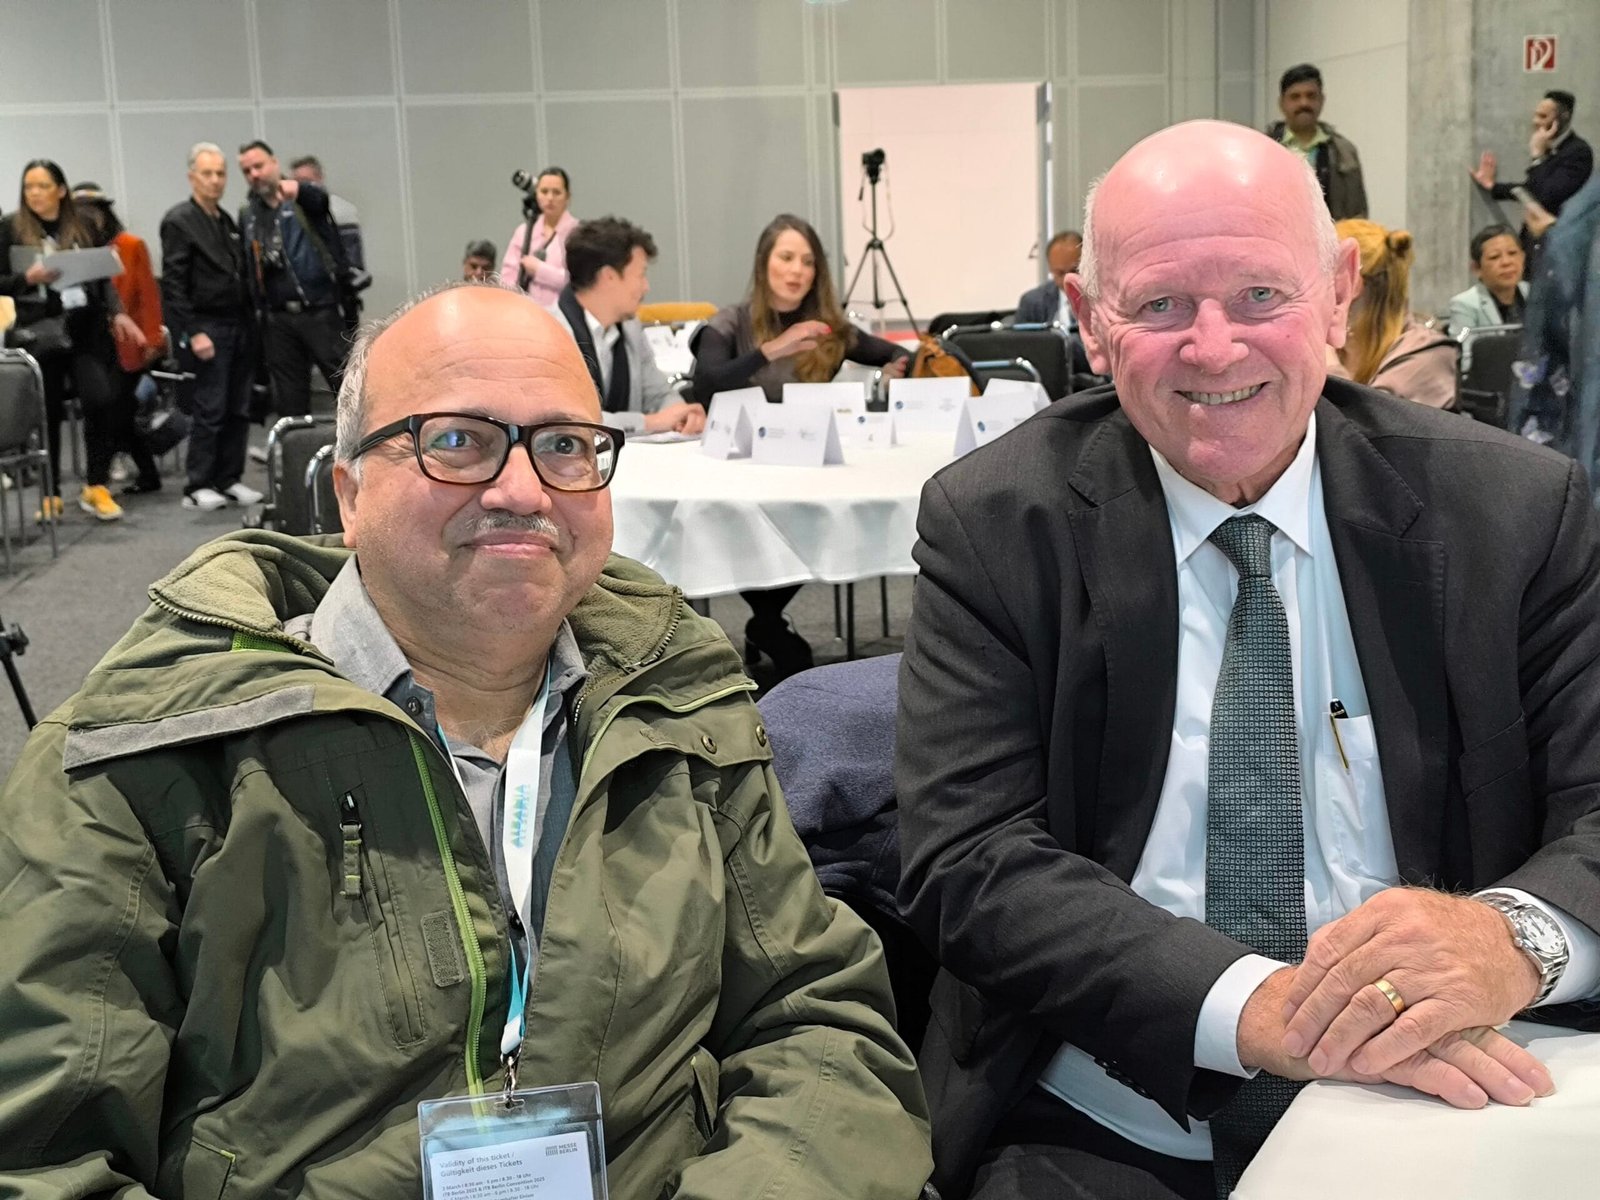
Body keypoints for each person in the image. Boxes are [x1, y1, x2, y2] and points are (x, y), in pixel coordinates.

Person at [0, 280, 933, 1197]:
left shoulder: (678, 703)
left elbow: (819, 1021)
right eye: (458, 441)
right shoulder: (134, 762)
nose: (523, 490)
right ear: (348, 490)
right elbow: (38, 1158)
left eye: (566, 445)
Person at [896, 119, 1600, 1200]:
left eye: (1260, 297)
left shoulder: (1510, 513)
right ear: (1089, 320)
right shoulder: (998, 523)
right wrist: (1258, 1011)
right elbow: (969, 857)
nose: (1213, 348)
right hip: (1112, 1100)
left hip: (1449, 1089)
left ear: (1336, 294)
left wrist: (1513, 941)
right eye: (1161, 305)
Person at [692, 214, 912, 678]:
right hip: (743, 468)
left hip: (805, 468)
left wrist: (896, 369)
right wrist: (774, 349)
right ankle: (769, 625)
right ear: (763, 264)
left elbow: (894, 353)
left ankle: (767, 622)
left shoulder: (828, 329)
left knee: (811, 524)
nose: (797, 271)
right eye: (786, 258)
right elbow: (708, 383)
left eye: (807, 261)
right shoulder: (730, 322)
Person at [0, 159, 146, 522]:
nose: (34, 193)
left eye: (42, 186)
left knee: (100, 399)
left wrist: (120, 313)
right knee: (47, 411)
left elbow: (104, 276)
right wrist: (28, 279)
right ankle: (49, 495)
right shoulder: (9, 228)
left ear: (61, 190)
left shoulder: (83, 224)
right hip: (41, 328)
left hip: (86, 324)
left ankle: (96, 485)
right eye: (29, 186)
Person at [161, 141, 261, 510]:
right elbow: (174, 285)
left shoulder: (225, 220)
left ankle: (229, 477)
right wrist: (193, 331)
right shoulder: (179, 221)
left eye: (221, 173)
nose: (215, 180)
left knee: (239, 406)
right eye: (207, 173)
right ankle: (198, 483)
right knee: (211, 407)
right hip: (207, 325)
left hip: (240, 325)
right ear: (192, 177)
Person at [546, 216, 705, 436]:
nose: (646, 287)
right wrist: (650, 422)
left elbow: (659, 393)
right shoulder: (549, 332)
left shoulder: (630, 328)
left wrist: (680, 413)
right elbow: (570, 419)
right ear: (609, 276)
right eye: (641, 275)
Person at [238, 139, 351, 421]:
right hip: (277, 320)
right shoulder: (249, 214)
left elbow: (320, 200)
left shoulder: (303, 198)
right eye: (247, 170)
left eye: (259, 166)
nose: (254, 174)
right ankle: (296, 460)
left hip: (319, 310)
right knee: (290, 403)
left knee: (347, 388)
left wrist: (299, 189)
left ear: (274, 163)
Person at [70, 182, 164, 497]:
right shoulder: (76, 252)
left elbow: (148, 295)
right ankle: (142, 475)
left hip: (130, 344)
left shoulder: (130, 245)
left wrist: (151, 339)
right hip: (95, 345)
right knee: (116, 414)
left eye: (91, 212)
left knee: (117, 412)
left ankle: (104, 478)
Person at [1327, 218, 1459, 409]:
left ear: (1350, 284)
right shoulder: (1342, 345)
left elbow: (1364, 428)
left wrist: (1328, 363)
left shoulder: (1427, 354)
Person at [1474, 90, 1595, 264]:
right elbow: (1531, 188)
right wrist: (1493, 187)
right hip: (1532, 242)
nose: (1535, 122)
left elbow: (1544, 196)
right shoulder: (1550, 147)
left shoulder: (1578, 152)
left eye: (1543, 116)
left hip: (1558, 246)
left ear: (1563, 118)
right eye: (1536, 115)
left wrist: (1537, 157)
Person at [1266, 63, 1368, 221]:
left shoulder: (1345, 152)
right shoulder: (1264, 149)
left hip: (1332, 242)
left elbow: (1358, 215)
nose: (1304, 103)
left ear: (1322, 100)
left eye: (1311, 96)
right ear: (1282, 103)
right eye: (1295, 97)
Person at [1449, 224, 1529, 372]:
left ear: (1523, 258)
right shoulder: (1465, 305)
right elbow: (1463, 355)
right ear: (1476, 268)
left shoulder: (1535, 294)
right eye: (1494, 257)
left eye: (1512, 253)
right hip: (1494, 382)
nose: (1506, 262)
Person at [499, 166, 577, 306]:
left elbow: (578, 281)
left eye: (556, 192)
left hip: (563, 316)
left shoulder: (577, 233)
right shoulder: (523, 232)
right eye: (544, 191)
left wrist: (540, 270)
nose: (550, 198)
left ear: (567, 197)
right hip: (527, 315)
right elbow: (508, 275)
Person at [289, 153, 364, 271]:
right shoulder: (289, 213)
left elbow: (354, 263)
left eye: (305, 181)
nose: (302, 187)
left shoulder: (341, 211)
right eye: (296, 182)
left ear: (320, 178)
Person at [1016, 231, 1082, 329]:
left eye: (1074, 271)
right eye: (1060, 273)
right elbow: (1022, 343)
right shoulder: (1032, 303)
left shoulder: (1104, 301)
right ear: (1050, 268)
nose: (1067, 279)